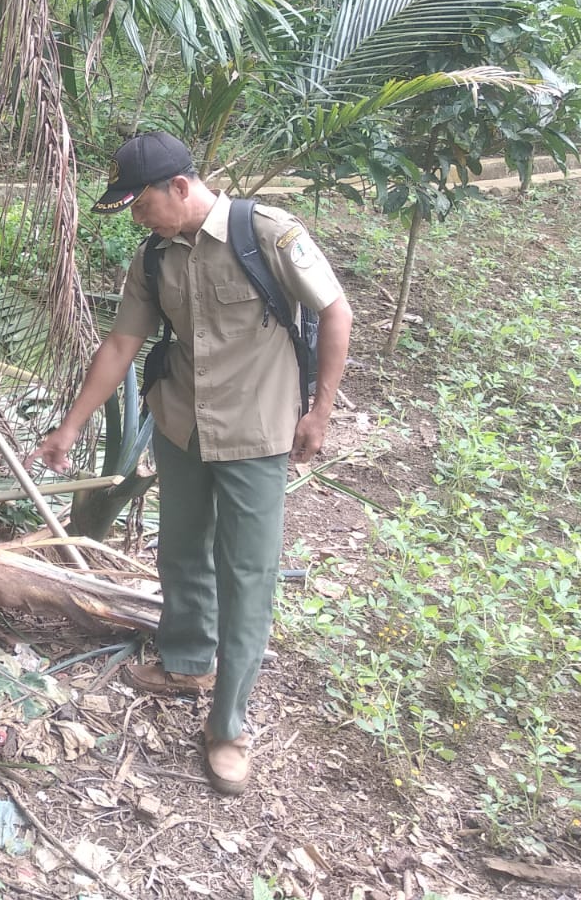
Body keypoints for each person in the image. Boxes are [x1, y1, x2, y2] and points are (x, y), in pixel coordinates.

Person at [29, 131, 352, 796]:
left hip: (257, 434)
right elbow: (121, 343)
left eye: (140, 203)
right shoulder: (155, 258)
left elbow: (335, 311)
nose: (137, 217)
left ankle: (228, 726)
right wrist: (69, 428)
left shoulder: (267, 233)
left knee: (247, 576)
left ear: (180, 186)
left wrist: (319, 413)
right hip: (182, 428)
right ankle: (185, 659)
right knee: (179, 552)